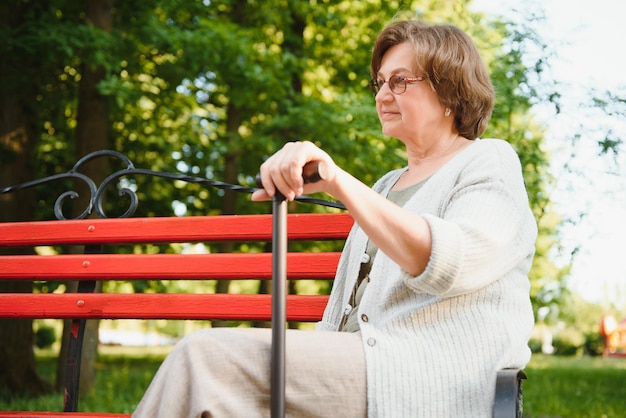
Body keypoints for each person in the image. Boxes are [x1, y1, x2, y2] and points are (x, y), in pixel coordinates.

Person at [132, 19, 537, 418]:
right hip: (368, 372)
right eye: (379, 82)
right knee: (217, 390)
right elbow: (342, 312)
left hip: (431, 379)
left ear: (449, 88)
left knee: (203, 359)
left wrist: (336, 180)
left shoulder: (489, 160)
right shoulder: (387, 186)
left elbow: (450, 260)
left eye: (399, 81)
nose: (382, 95)